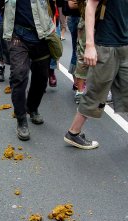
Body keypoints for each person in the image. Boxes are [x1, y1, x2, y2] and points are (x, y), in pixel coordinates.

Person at [0, 0, 55, 141]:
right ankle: (21, 119)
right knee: (18, 75)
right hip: (18, 36)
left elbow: (55, 8)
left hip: (42, 36)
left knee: (41, 78)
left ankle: (32, 108)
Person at [64, 0, 128, 149]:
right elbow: (91, 6)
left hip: (125, 45)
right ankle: (73, 132)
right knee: (95, 93)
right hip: (106, 44)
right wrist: (90, 45)